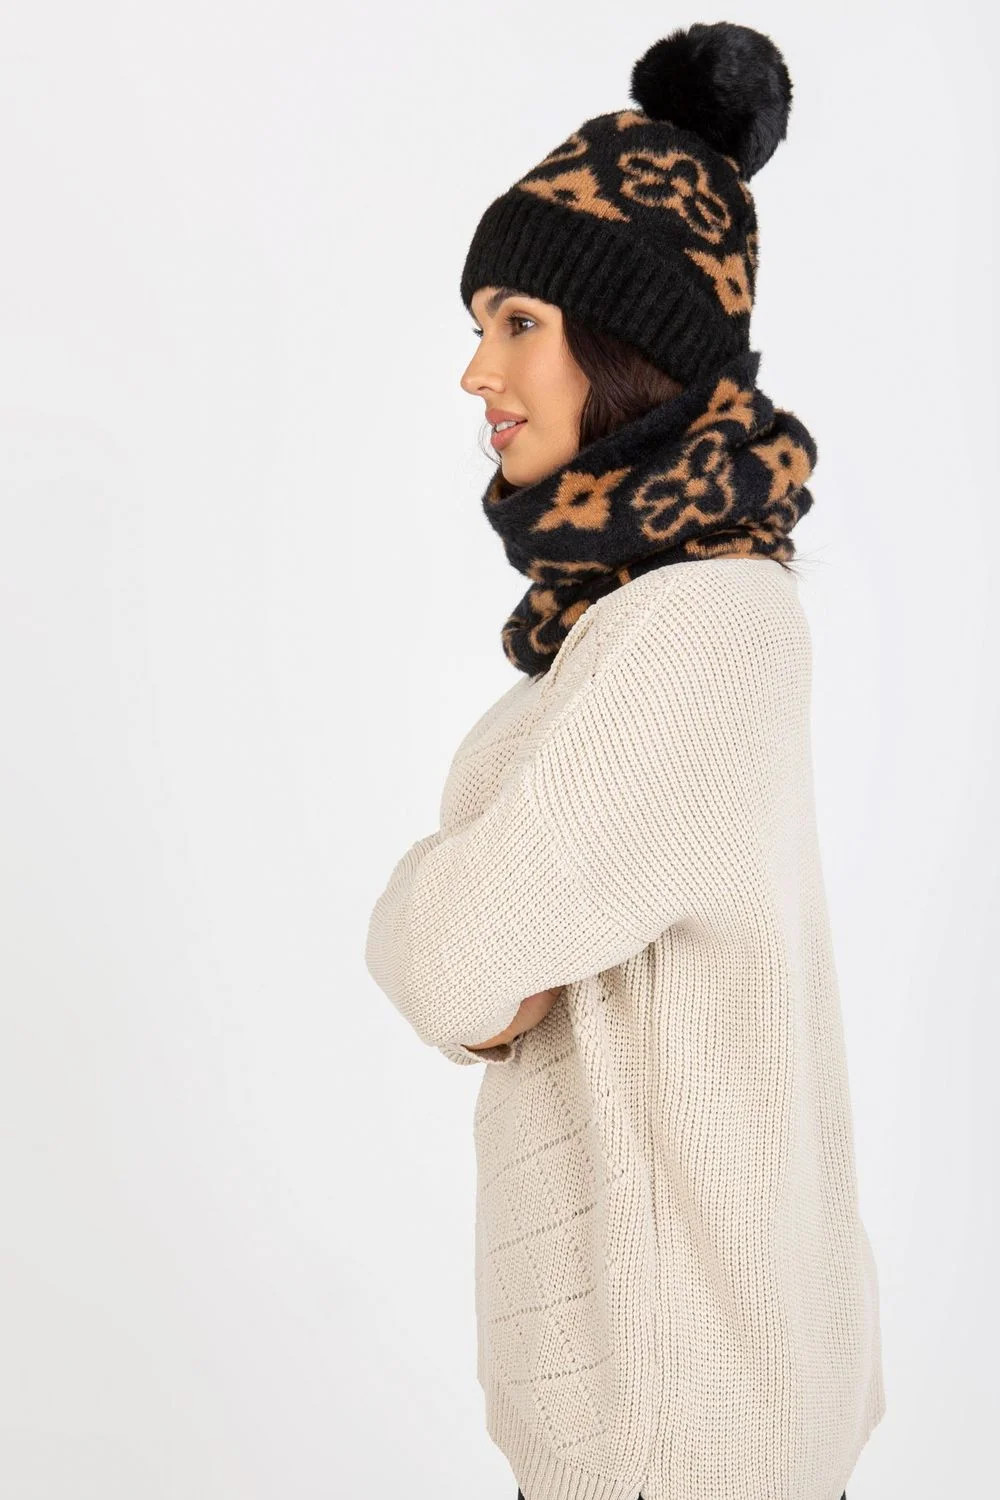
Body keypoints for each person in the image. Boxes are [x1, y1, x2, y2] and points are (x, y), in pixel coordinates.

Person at [365, 20, 885, 1500]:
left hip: (685, 1419)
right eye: (481, 323)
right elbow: (493, 955)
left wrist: (433, 916)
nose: (476, 369)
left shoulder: (698, 623)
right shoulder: (638, 617)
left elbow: (453, 955)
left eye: (518, 321)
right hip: (671, 1405)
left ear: (625, 340)